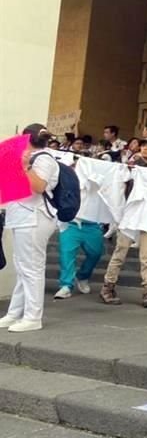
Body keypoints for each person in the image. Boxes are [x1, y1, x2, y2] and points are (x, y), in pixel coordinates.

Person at [0, 124, 60, 332]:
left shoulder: (43, 158)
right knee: (22, 268)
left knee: (32, 268)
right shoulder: (29, 157)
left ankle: (33, 317)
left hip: (35, 218)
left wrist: (25, 166)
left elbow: (39, 187)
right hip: (21, 216)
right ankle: (14, 313)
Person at [101, 138, 147, 308]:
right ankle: (108, 286)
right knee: (120, 252)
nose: (144, 148)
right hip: (131, 213)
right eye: (143, 145)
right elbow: (120, 182)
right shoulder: (132, 165)